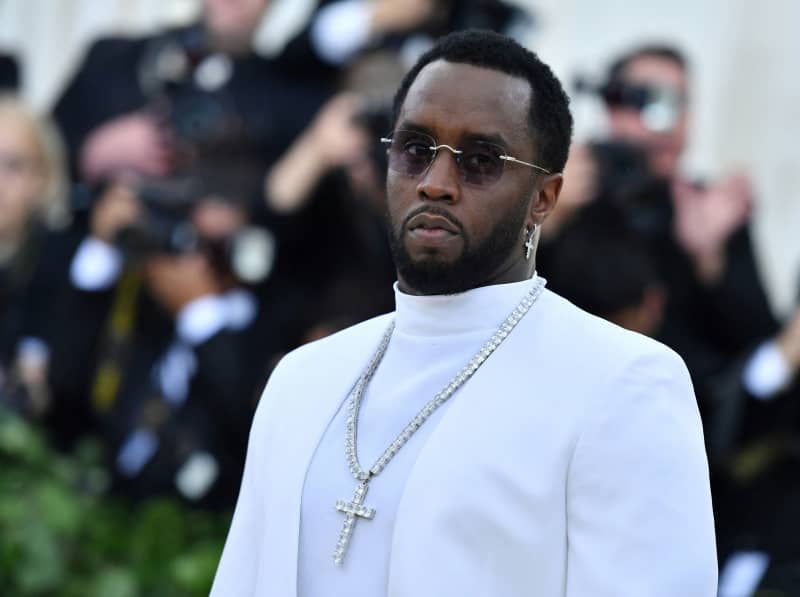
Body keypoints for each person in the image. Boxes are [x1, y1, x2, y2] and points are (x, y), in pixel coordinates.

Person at [211, 30, 717, 596]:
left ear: (544, 198)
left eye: (480, 161)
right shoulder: (302, 379)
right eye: (415, 150)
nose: (436, 184)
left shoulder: (622, 382)